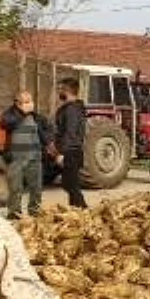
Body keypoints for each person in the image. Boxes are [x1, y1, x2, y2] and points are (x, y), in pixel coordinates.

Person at [0, 90, 50, 219]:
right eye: (26, 101)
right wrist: (22, 112)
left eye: (30, 101)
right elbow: (5, 123)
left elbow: (46, 131)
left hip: (34, 157)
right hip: (16, 158)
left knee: (36, 187)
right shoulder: (10, 114)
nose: (30, 104)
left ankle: (35, 211)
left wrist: (49, 145)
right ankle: (14, 213)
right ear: (17, 103)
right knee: (15, 188)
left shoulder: (36, 116)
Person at [54, 77, 88, 208]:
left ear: (67, 90)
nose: (59, 92)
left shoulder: (71, 109)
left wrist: (62, 153)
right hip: (72, 150)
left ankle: (83, 210)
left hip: (71, 151)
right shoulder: (73, 108)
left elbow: (70, 132)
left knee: (70, 184)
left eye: (60, 89)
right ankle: (75, 210)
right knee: (70, 184)